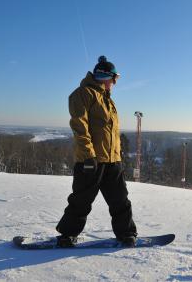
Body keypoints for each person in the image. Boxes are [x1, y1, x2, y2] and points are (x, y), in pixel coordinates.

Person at [56, 56, 137, 247]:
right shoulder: (83, 94)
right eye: (114, 79)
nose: (114, 83)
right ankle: (68, 234)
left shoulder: (107, 99)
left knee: (120, 200)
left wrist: (117, 155)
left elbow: (111, 133)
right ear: (106, 77)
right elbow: (79, 126)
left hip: (112, 160)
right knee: (81, 200)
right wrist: (88, 155)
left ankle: (126, 233)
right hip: (90, 160)